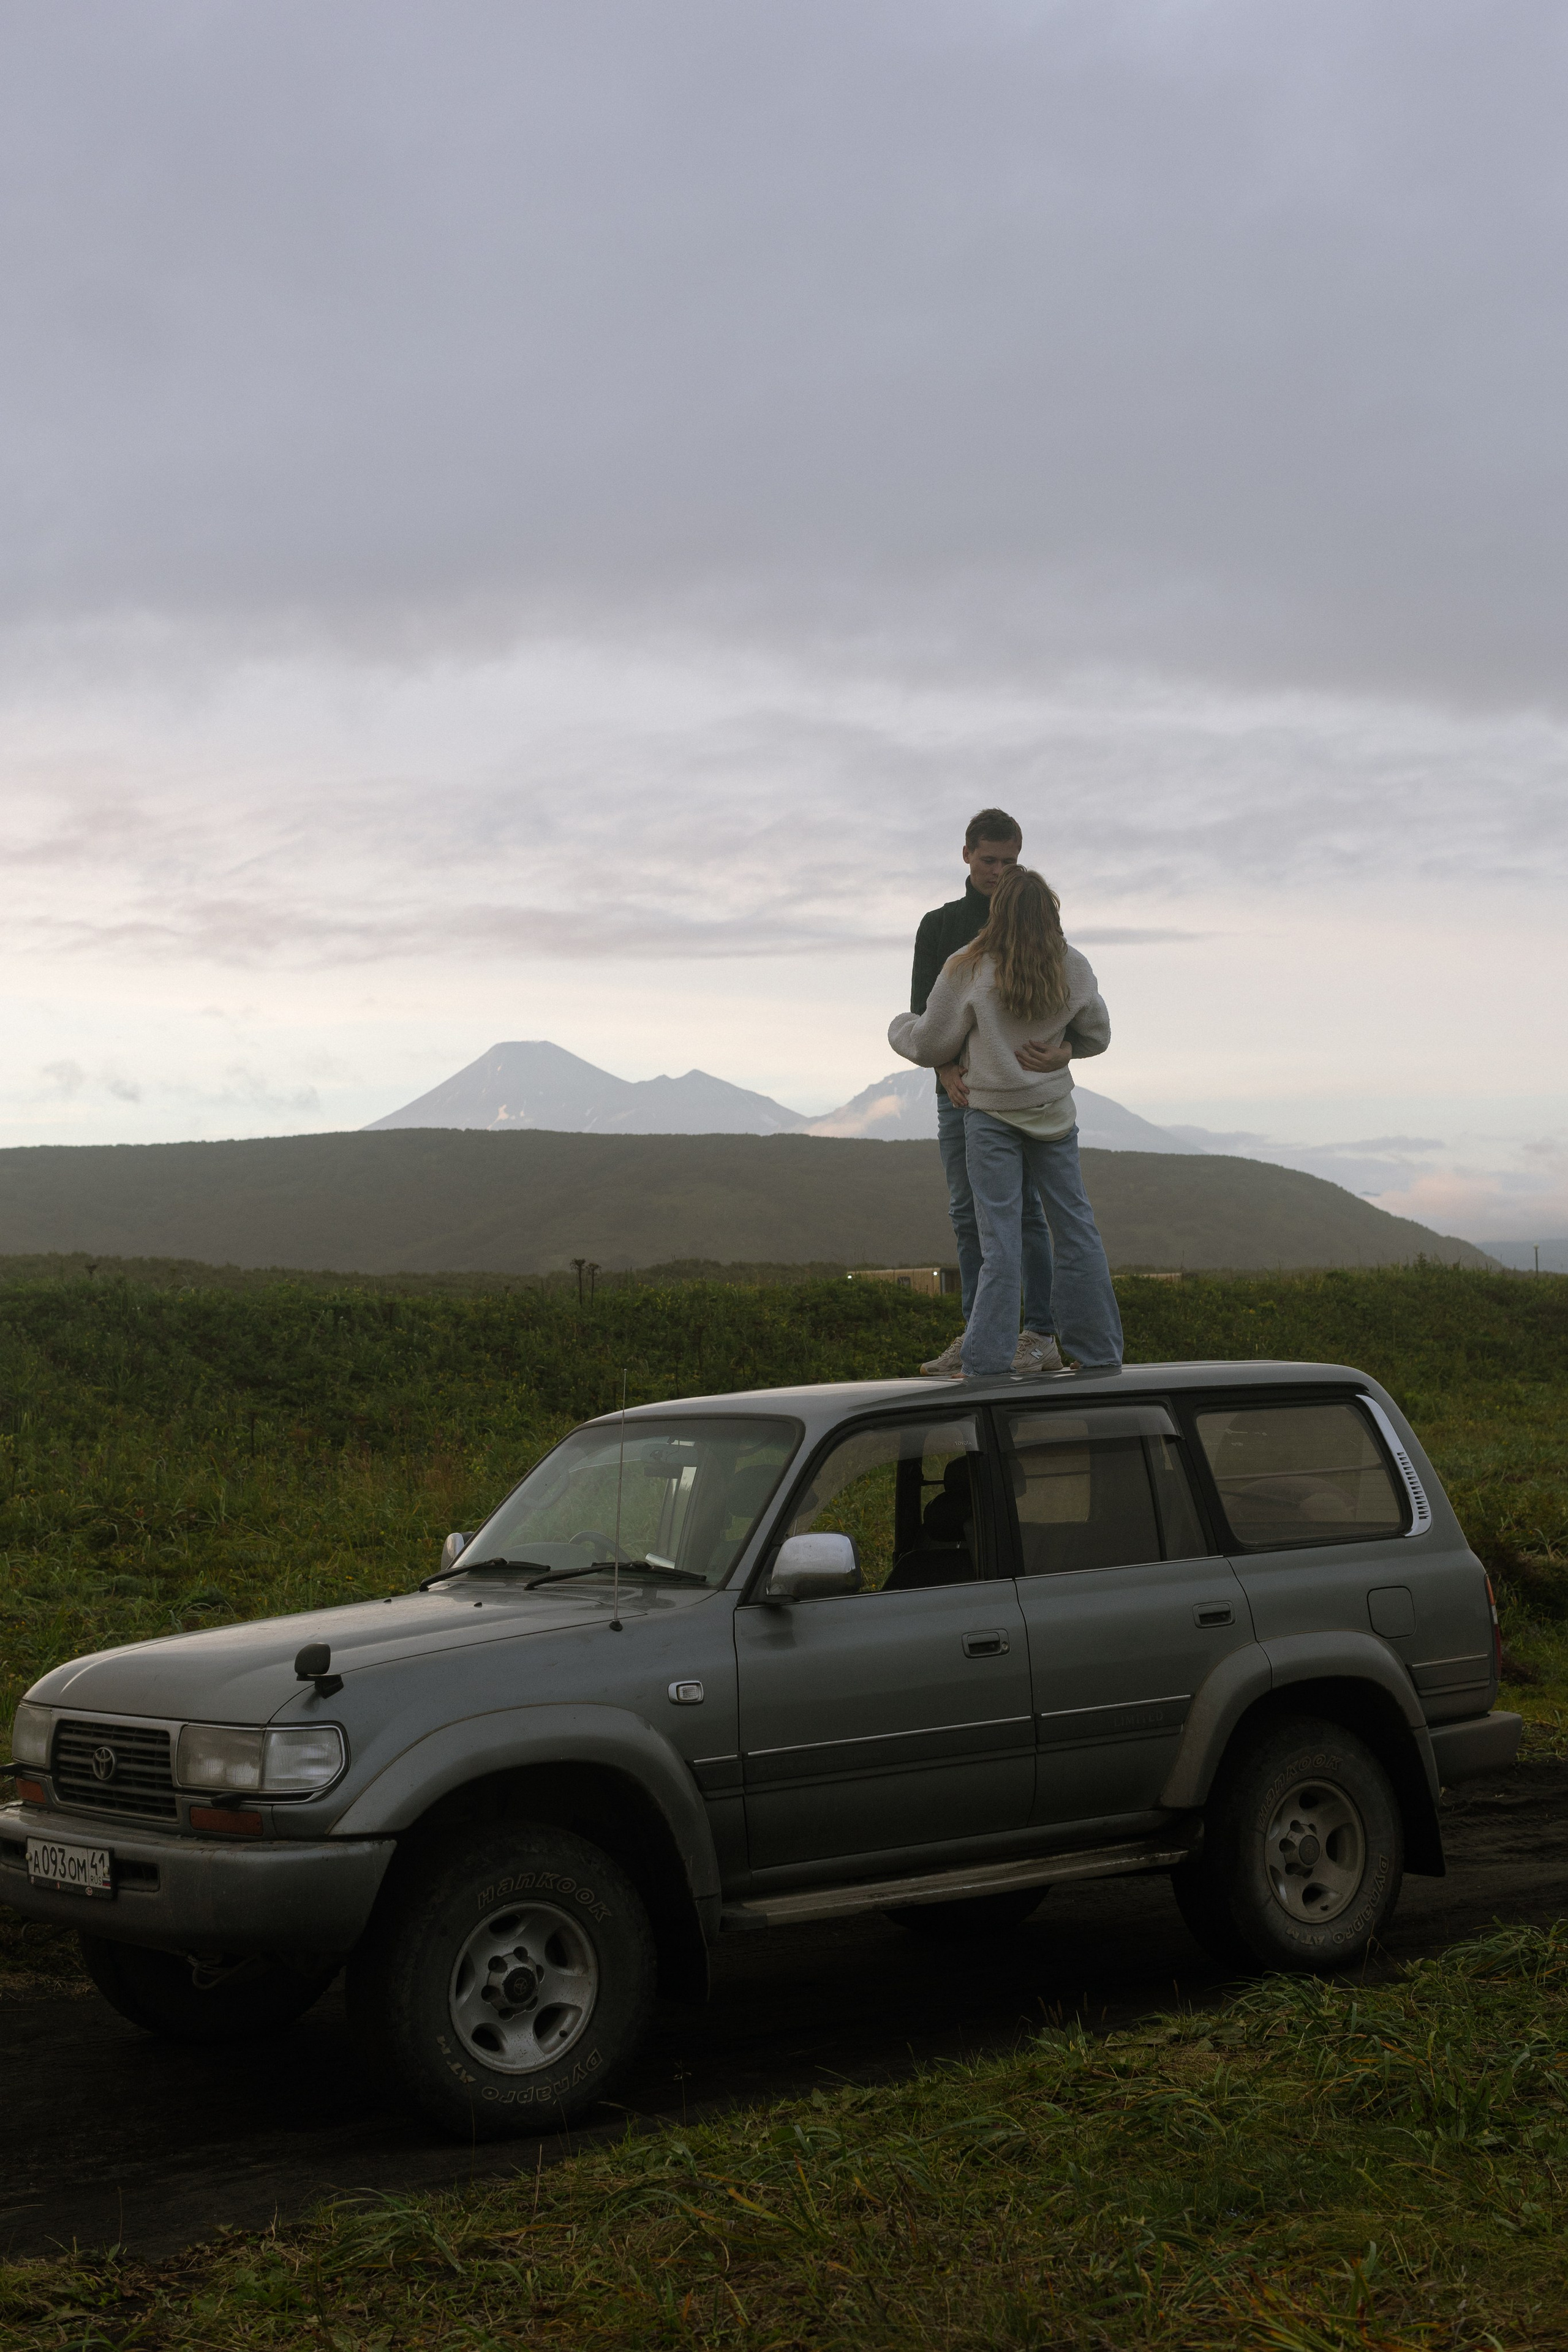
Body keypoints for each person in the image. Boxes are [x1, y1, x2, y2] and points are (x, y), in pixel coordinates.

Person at [890, 864, 1123, 1378]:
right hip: (1053, 1116)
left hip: (990, 1113)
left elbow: (932, 1042)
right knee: (1076, 1228)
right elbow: (1098, 1034)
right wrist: (1064, 1050)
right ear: (1050, 913)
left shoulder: (969, 966)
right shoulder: (1073, 966)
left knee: (999, 1240)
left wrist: (899, 1028)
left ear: (998, 912)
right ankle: (1099, 1351)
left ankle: (988, 1362)